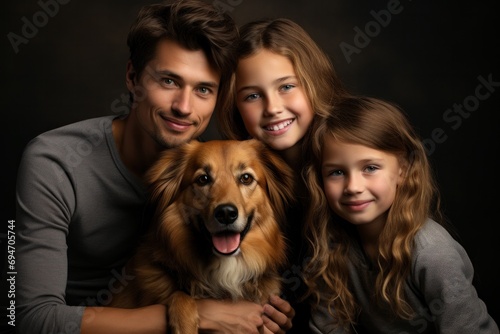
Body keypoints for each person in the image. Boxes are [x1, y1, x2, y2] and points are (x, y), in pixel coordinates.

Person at [14, 1, 294, 333]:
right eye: (169, 81)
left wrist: (263, 316)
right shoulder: (54, 162)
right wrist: (194, 315)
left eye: (203, 89)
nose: (184, 107)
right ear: (133, 78)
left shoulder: (215, 158)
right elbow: (26, 318)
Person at [303, 96, 499, 333]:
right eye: (336, 172)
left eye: (370, 168)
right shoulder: (333, 245)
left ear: (403, 170)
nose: (353, 186)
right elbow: (328, 328)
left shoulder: (432, 253)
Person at [217, 18, 348, 332]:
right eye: (252, 96)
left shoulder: (351, 174)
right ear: (234, 106)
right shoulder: (235, 185)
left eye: (286, 86)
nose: (273, 107)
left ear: (313, 82)